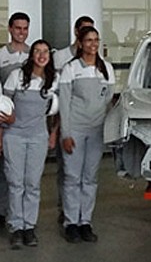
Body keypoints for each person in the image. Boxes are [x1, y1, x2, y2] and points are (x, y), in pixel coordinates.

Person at [59, 27, 115, 243]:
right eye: (89, 40)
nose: (93, 44)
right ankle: (71, 222)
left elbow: (108, 98)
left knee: (90, 178)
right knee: (72, 177)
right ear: (80, 43)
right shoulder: (71, 69)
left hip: (96, 132)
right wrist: (66, 133)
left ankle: (85, 222)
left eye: (96, 40)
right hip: (75, 130)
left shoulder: (106, 69)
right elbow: (64, 103)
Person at [2, 40, 57, 249]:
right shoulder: (16, 76)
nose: (41, 56)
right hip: (14, 136)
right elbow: (4, 105)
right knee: (16, 183)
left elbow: (55, 110)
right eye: (37, 51)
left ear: (49, 56)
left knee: (32, 184)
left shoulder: (53, 80)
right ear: (31, 54)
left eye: (45, 52)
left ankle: (29, 227)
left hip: (38, 137)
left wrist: (53, 134)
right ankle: (16, 227)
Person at [52, 16, 95, 224]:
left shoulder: (100, 66)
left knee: (86, 175)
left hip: (89, 126)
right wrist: (58, 128)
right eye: (85, 33)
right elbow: (56, 92)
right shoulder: (61, 58)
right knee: (67, 171)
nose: (90, 40)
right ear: (77, 33)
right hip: (65, 119)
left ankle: (82, 217)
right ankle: (67, 210)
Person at [0, 12, 30, 228]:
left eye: (25, 28)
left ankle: (24, 218)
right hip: (5, 121)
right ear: (10, 29)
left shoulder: (35, 54)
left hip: (29, 121)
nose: (22, 32)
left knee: (25, 176)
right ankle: (4, 213)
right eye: (18, 28)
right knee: (6, 172)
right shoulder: (1, 55)